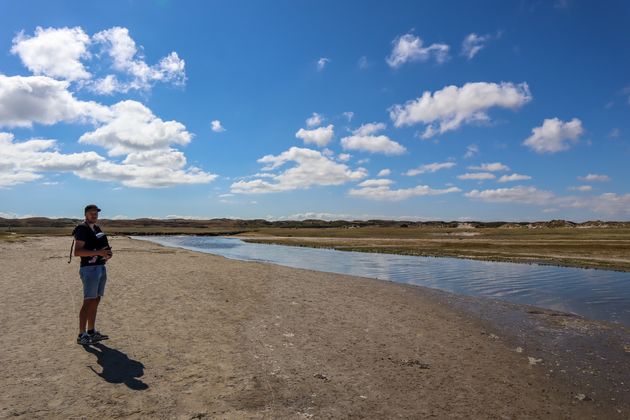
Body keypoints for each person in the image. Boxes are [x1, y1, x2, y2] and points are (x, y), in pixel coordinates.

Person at [72, 204, 113, 345]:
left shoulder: (96, 229)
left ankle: (91, 331)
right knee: (88, 301)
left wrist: (107, 254)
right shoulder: (81, 229)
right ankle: (81, 334)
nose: (94, 215)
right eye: (91, 213)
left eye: (96, 213)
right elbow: (77, 252)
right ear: (85, 214)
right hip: (89, 270)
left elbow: (102, 248)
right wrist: (98, 253)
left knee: (96, 299)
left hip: (100, 267)